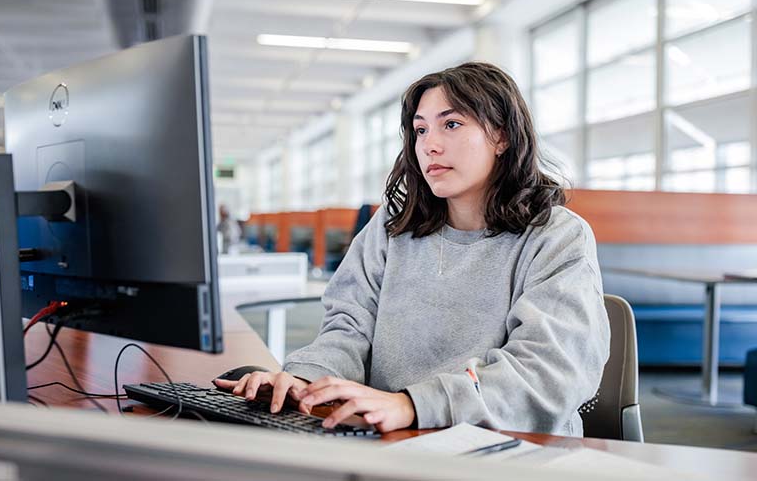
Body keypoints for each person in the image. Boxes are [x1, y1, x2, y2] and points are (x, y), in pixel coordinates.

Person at [215, 62, 610, 436]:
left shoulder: (556, 236)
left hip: (509, 450)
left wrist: (413, 406)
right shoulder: (394, 226)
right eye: (420, 131)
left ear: (502, 136)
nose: (430, 146)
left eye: (451, 124)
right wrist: (305, 380)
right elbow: (349, 329)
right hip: (394, 438)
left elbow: (548, 372)